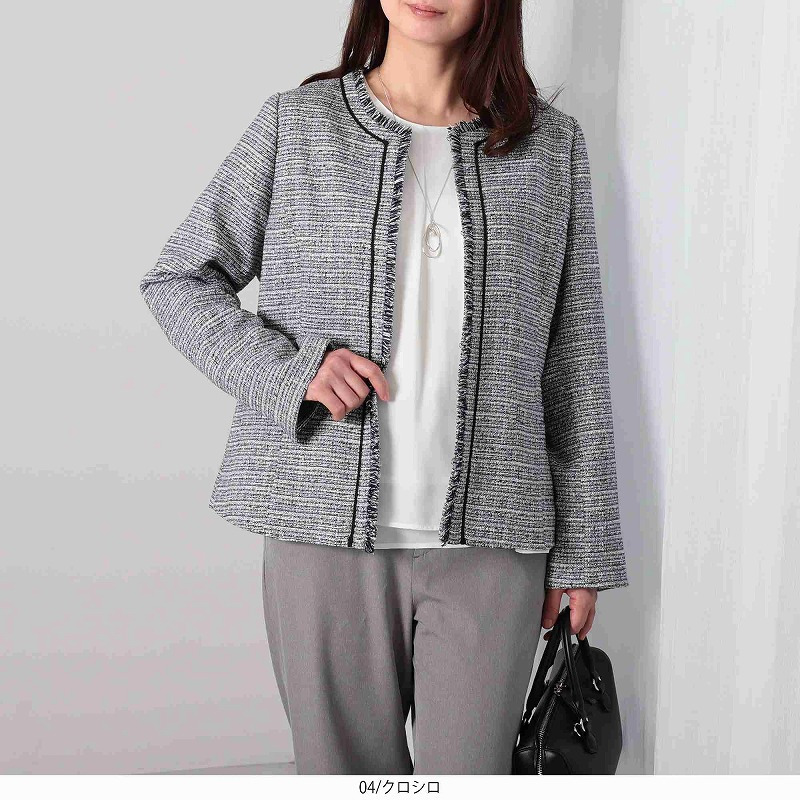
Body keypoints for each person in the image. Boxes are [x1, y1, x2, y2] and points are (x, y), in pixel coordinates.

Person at [139, 0, 629, 776]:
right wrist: (292, 371)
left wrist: (585, 550)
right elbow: (179, 280)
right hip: (320, 542)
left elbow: (574, 361)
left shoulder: (550, 148)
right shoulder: (296, 125)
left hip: (492, 552)